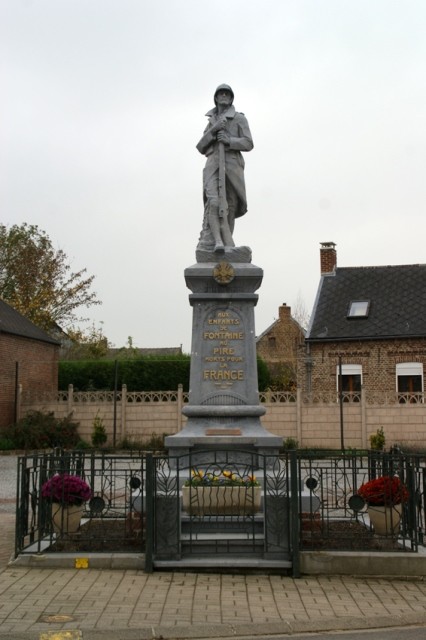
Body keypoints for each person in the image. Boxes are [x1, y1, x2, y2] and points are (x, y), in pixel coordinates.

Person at [196, 84, 253, 252]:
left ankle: (227, 243)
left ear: (231, 97)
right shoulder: (211, 121)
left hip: (232, 164)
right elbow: (200, 146)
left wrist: (229, 140)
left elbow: (249, 143)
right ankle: (216, 242)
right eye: (220, 93)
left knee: (229, 205)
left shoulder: (239, 118)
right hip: (213, 163)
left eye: (227, 93)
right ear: (215, 97)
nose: (223, 96)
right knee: (213, 201)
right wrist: (214, 130)